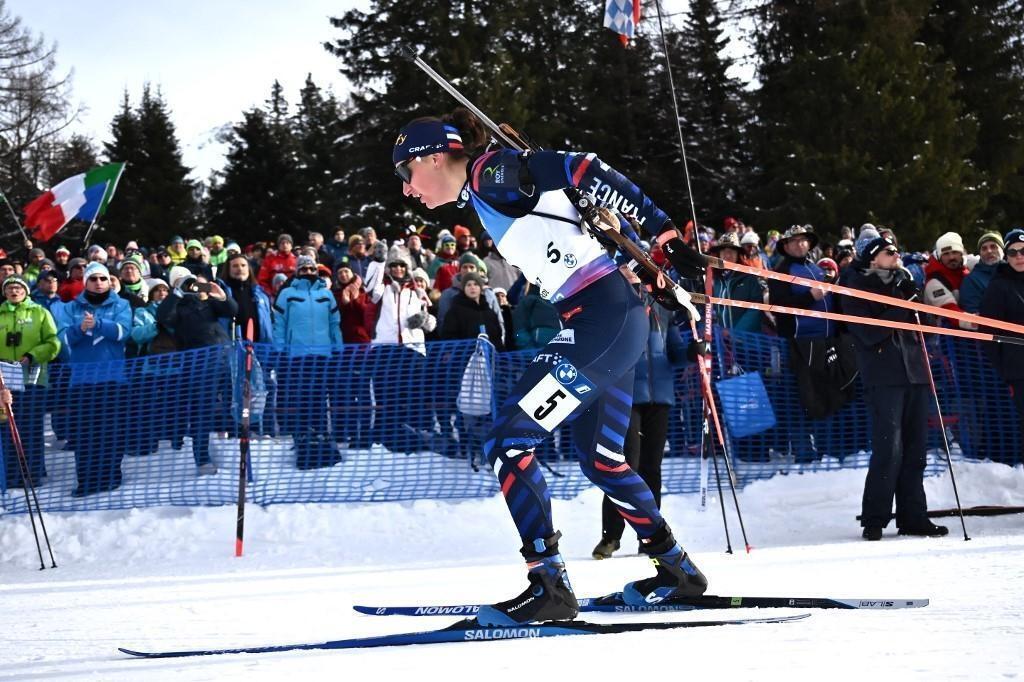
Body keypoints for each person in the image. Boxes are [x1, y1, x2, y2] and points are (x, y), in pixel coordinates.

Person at [391, 109, 708, 624]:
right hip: (610, 319)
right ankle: (676, 570)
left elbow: (584, 169)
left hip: (598, 321)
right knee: (602, 459)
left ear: (432, 157)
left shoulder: (486, 173)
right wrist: (646, 269)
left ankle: (549, 584)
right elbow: (583, 224)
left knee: (507, 441)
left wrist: (664, 236)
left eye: (406, 174)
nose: (407, 189)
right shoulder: (482, 190)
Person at [843, 236, 948, 540]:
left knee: (916, 450)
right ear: (874, 258)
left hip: (914, 372)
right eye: (889, 252)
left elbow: (925, 326)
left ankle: (913, 516)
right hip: (883, 374)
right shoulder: (856, 287)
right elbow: (869, 333)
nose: (896, 255)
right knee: (889, 448)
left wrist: (914, 301)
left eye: (897, 251)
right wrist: (903, 305)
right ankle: (875, 518)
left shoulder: (903, 283)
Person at [592, 264, 691, 559]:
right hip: (626, 395)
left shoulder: (663, 310)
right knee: (624, 464)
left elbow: (674, 353)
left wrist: (694, 351)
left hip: (659, 396)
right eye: (628, 273)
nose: (637, 280)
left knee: (652, 466)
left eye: (640, 274)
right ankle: (611, 535)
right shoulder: (614, 307)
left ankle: (651, 537)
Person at [52, 262, 132, 496]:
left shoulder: (122, 304)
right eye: (93, 279)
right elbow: (63, 340)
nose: (98, 283)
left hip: (113, 379)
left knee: (112, 430)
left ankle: (110, 477)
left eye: (103, 279)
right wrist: (80, 328)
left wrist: (98, 325)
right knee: (85, 432)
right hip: (82, 380)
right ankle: (86, 481)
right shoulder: (70, 308)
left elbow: (123, 332)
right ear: (85, 282)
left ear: (109, 281)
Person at [157, 271, 238, 474]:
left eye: (195, 283)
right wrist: (177, 292)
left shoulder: (209, 303)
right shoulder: (178, 306)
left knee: (235, 401)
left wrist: (219, 295)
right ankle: (202, 457)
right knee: (202, 410)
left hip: (225, 357)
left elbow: (232, 310)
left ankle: (233, 447)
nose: (193, 287)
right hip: (199, 365)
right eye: (187, 283)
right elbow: (163, 317)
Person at [272, 255, 343, 469]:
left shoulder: (326, 294)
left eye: (312, 269)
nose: (308, 272)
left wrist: (337, 346)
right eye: (304, 269)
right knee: (301, 393)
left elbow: (334, 323)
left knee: (320, 394)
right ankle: (302, 433)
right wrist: (279, 348)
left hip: (323, 352)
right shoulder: (287, 294)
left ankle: (320, 432)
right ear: (297, 272)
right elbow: (279, 323)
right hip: (297, 353)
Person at [0, 276, 60, 488]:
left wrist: (33, 355)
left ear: (26, 291)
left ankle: (33, 473)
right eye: (10, 288)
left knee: (31, 427)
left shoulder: (40, 312)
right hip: (4, 382)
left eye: (18, 288)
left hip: (33, 378)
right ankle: (12, 475)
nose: (14, 292)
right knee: (8, 427)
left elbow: (53, 342)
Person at [980, 229, 1024, 460]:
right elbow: (988, 332)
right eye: (1013, 252)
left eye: (1023, 251)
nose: (1019, 256)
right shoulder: (999, 286)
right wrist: (1008, 368)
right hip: (1019, 370)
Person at [219, 253, 273, 343]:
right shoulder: (221, 292)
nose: (240, 269)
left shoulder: (260, 293)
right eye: (235, 266)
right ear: (228, 269)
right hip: (231, 345)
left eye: (243, 265)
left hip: (259, 346)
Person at [923, 232, 969, 316]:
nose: (951, 257)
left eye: (954, 252)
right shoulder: (934, 282)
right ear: (939, 257)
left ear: (961, 254)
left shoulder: (966, 271)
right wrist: (977, 323)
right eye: (946, 254)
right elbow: (950, 311)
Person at [960, 232, 1003, 316]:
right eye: (984, 248)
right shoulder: (971, 280)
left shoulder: (1015, 272)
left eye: (993, 246)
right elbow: (973, 314)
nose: (989, 251)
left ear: (1002, 250)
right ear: (980, 254)